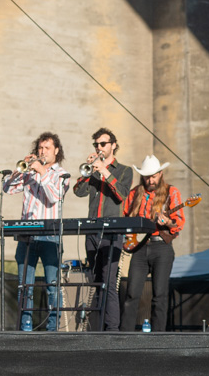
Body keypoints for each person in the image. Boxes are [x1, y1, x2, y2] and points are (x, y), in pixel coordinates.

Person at [2, 132, 70, 331]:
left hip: (50, 235)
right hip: (27, 235)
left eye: (47, 148)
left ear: (56, 151)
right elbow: (8, 188)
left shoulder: (62, 174)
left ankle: (52, 329)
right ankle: (26, 327)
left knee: (52, 286)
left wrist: (41, 171)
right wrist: (18, 171)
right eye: (40, 148)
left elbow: (54, 196)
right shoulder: (29, 173)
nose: (42, 152)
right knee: (25, 286)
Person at [73, 128, 133, 331]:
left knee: (109, 280)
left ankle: (112, 329)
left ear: (113, 145)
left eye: (103, 144)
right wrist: (89, 169)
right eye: (96, 144)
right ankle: (97, 327)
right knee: (96, 280)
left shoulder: (124, 170)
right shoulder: (94, 170)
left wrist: (105, 171)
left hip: (112, 231)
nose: (99, 147)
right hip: (92, 230)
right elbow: (78, 192)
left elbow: (122, 195)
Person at [120, 155, 185, 332]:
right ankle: (124, 335)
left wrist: (168, 222)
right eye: (147, 176)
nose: (151, 180)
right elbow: (125, 218)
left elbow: (178, 222)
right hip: (139, 248)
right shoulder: (134, 193)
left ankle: (158, 336)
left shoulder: (172, 192)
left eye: (154, 176)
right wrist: (129, 236)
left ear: (160, 174)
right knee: (132, 293)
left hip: (161, 247)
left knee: (160, 295)